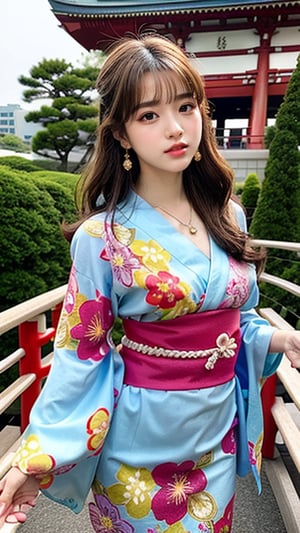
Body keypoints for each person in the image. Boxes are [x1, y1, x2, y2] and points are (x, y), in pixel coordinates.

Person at [0, 34, 300, 532]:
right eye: (149, 115)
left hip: (217, 439)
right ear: (120, 133)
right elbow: (80, 355)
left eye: (186, 106)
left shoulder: (230, 215)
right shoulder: (104, 237)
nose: (177, 128)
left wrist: (283, 338)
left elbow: (237, 324)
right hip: (138, 451)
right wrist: (35, 460)